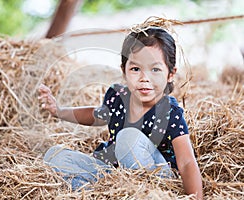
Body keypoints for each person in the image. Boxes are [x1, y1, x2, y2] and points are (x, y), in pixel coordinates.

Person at [38, 17, 203, 199]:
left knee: (128, 137)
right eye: (135, 69)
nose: (144, 78)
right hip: (114, 177)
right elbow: (94, 115)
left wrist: (196, 197)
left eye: (155, 70)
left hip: (154, 181)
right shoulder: (118, 97)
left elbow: (187, 162)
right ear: (124, 70)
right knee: (55, 156)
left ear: (170, 74)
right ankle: (104, 194)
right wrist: (58, 110)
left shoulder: (170, 113)